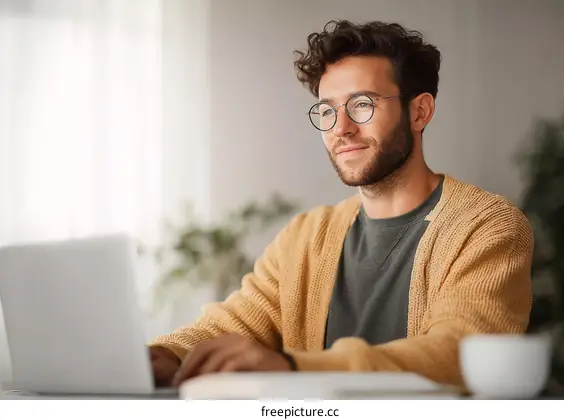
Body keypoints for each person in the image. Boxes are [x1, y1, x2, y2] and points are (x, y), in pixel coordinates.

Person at [149, 20, 534, 389]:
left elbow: (459, 354)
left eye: (362, 104)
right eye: (328, 110)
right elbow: (234, 323)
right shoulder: (306, 236)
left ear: (420, 112)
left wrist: (295, 368)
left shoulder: (487, 226)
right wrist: (168, 354)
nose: (341, 128)